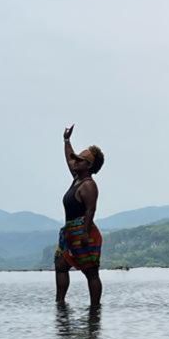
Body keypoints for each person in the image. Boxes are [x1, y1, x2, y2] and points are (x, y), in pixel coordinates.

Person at [55, 125, 105, 306]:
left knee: (91, 271)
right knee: (61, 265)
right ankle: (60, 304)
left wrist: (84, 233)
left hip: (84, 231)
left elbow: (91, 210)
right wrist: (66, 140)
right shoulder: (77, 178)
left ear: (89, 165)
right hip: (70, 231)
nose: (75, 161)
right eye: (76, 159)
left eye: (80, 160)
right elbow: (70, 159)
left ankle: (95, 309)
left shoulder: (88, 185)